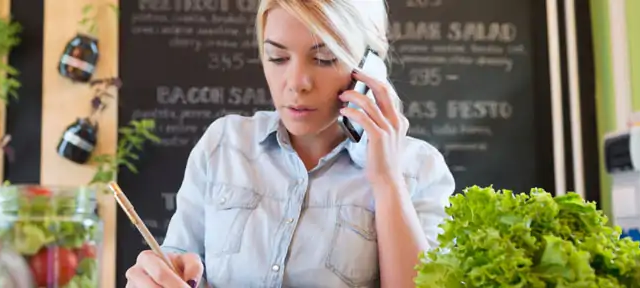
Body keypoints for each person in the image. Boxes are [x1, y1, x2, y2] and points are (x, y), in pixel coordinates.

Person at [125, 0, 455, 287]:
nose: (296, 83)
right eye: (277, 57)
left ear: (370, 66)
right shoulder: (223, 144)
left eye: (325, 58)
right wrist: (158, 274)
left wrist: (387, 182)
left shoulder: (419, 169)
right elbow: (179, 256)